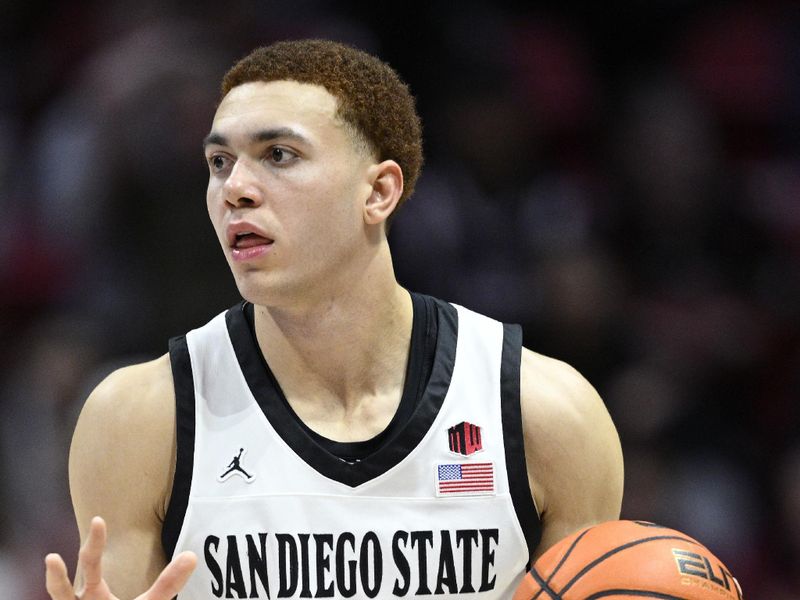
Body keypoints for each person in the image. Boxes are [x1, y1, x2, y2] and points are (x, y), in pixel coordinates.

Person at [45, 39, 623, 599]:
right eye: (220, 162)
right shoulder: (141, 420)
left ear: (378, 192)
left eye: (279, 155)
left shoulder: (546, 416)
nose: (235, 189)